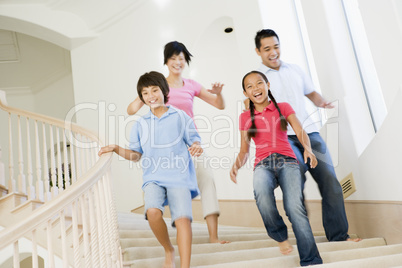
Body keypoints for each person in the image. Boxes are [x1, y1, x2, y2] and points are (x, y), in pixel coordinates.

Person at [252, 28, 361, 242]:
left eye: (276, 46)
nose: (273, 52)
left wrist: (321, 102)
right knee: (295, 188)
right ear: (258, 51)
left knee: (330, 180)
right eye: (267, 49)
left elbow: (310, 93)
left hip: (310, 134)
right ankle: (305, 237)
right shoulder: (258, 79)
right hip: (284, 140)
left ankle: (339, 236)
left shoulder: (295, 69)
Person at [127, 41, 228, 244]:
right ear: (166, 61)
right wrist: (146, 92)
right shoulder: (157, 86)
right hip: (166, 151)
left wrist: (219, 94)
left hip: (191, 145)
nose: (177, 62)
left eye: (181, 58)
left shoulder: (191, 85)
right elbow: (131, 109)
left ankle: (214, 236)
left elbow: (219, 105)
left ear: (186, 61)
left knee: (207, 179)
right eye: (173, 58)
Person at [99, 71, 203, 268]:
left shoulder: (180, 116)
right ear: (141, 98)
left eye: (155, 90)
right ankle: (168, 249)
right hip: (153, 177)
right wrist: (116, 148)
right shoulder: (140, 124)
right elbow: (136, 155)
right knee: (153, 213)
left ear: (164, 91)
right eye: (145, 93)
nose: (151, 96)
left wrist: (197, 145)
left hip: (179, 177)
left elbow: (195, 138)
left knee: (183, 220)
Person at [230, 70, 323, 266]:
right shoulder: (245, 117)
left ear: (267, 85)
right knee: (262, 195)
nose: (256, 88)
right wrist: (236, 165)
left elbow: (300, 131)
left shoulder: (283, 107)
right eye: (250, 86)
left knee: (294, 208)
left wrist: (308, 149)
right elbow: (244, 149)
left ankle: (311, 260)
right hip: (262, 164)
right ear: (246, 93)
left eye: (259, 83)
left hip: (287, 161)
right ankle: (280, 236)